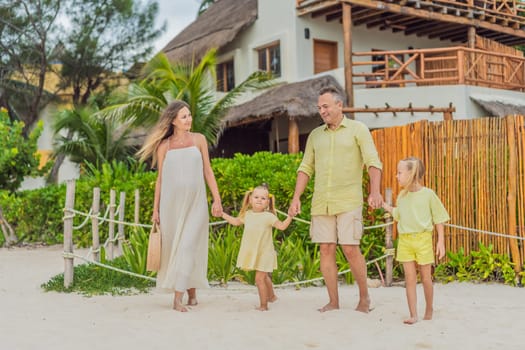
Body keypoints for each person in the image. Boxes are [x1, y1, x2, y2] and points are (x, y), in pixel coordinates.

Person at [288, 86, 383, 313]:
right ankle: (333, 301)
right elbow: (306, 167)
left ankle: (364, 297)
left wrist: (376, 191)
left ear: (339, 105)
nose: (322, 111)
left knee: (350, 249)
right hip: (322, 201)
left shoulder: (358, 129)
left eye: (326, 106)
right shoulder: (315, 135)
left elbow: (373, 161)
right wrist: (296, 197)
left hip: (349, 199)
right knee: (326, 249)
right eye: (319, 107)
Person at [137, 100, 222, 312]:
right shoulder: (163, 146)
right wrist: (155, 210)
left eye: (190, 115)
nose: (189, 119)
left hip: (196, 204)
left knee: (188, 245)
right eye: (184, 116)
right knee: (178, 247)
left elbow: (208, 171)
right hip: (171, 206)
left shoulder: (199, 140)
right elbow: (160, 180)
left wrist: (217, 199)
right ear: (173, 120)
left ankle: (177, 298)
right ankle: (191, 292)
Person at [382, 157, 450, 324]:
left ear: (411, 174)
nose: (396, 176)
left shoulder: (428, 195)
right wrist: (383, 205)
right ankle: (413, 314)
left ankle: (429, 308)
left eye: (399, 173)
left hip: (423, 240)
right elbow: (398, 214)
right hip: (405, 242)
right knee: (409, 279)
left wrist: (440, 242)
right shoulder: (402, 196)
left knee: (426, 278)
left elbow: (439, 218)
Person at [221, 184, 294, 311]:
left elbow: (282, 226)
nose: (259, 200)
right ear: (250, 199)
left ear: (267, 203)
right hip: (253, 253)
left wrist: (290, 216)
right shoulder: (247, 214)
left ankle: (263, 305)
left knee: (259, 278)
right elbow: (235, 222)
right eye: (256, 197)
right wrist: (222, 214)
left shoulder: (269, 217)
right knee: (264, 277)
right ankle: (271, 297)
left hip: (265, 253)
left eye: (263, 198)